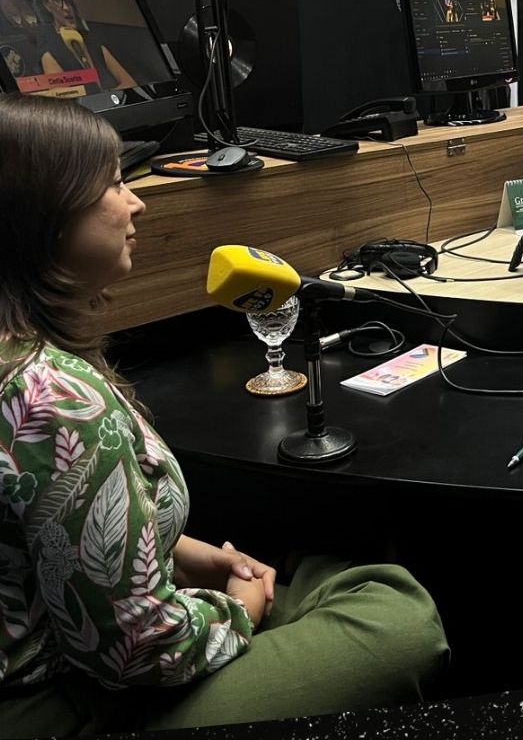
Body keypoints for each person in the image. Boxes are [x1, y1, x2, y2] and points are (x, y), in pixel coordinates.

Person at [0, 94, 447, 737]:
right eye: (114, 185)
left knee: (315, 576)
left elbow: (44, 534)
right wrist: (236, 611)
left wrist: (181, 555)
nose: (136, 204)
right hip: (56, 701)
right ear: (43, 216)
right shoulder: (56, 398)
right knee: (396, 615)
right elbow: (137, 651)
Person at [27, 0, 138, 90]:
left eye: (67, 0)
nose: (66, 8)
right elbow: (66, 99)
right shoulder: (49, 52)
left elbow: (131, 83)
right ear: (45, 4)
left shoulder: (92, 39)